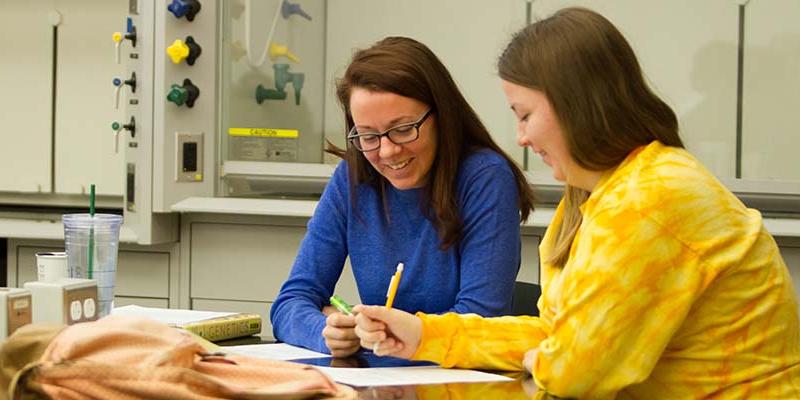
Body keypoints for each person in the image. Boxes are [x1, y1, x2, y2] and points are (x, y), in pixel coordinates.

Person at [353, 7, 800, 398]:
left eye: (525, 114)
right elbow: (556, 337)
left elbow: (573, 373)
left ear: (574, 105)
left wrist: (547, 358)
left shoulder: (648, 199)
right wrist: (423, 333)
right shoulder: (591, 198)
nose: (522, 138)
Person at [270, 37, 535, 356]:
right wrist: (325, 331)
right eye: (368, 135)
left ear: (442, 115)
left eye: (404, 129)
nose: (387, 151)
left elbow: (479, 318)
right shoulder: (352, 177)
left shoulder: (484, 178)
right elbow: (291, 301)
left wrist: (385, 332)